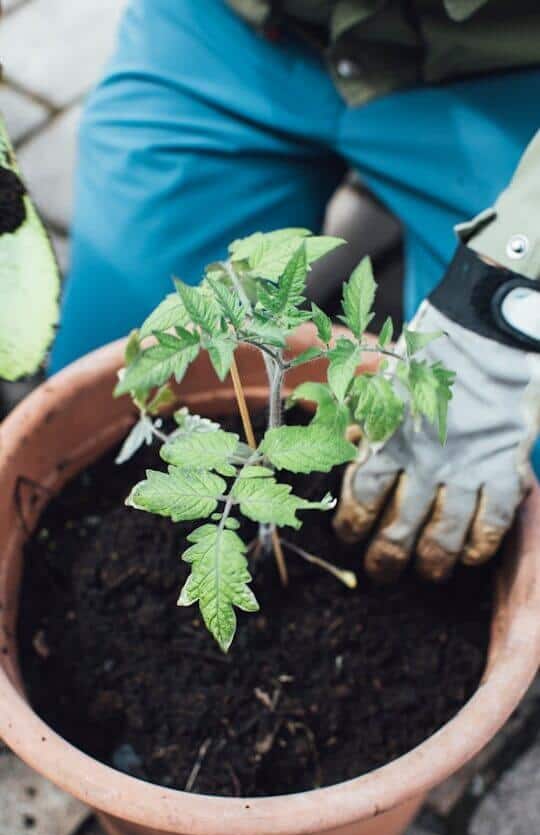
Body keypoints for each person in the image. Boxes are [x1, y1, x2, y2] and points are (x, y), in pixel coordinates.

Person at [51, 0, 540, 582]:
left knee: (506, 495)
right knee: (96, 402)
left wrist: (513, 285)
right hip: (235, 34)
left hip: (504, 72)